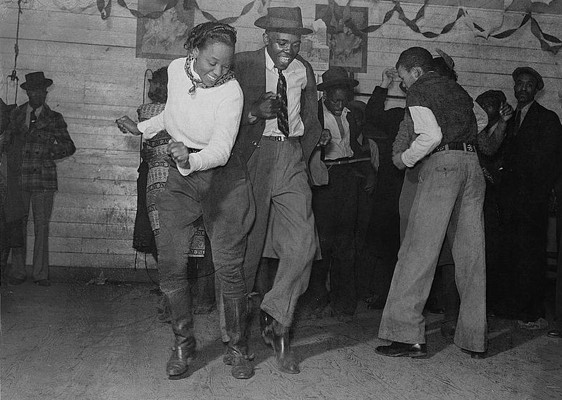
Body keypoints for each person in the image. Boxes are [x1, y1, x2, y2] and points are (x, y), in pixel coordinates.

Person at [116, 22, 255, 380]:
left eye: (225, 65)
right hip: (183, 174)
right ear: (193, 52)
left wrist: (188, 159)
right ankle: (183, 344)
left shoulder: (232, 92)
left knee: (228, 266)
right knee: (171, 260)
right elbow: (173, 113)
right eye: (212, 62)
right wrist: (143, 128)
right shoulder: (177, 70)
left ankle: (238, 347)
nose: (218, 72)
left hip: (223, 178)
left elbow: (221, 151)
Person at [233, 6, 329, 374]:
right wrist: (254, 112)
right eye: (281, 43)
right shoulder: (242, 64)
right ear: (266, 38)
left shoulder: (303, 69)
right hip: (252, 156)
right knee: (247, 248)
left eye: (294, 42)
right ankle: (237, 340)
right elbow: (221, 111)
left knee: (304, 243)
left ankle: (276, 316)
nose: (288, 49)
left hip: (290, 155)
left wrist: (300, 156)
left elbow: (311, 119)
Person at [376, 47, 487, 359]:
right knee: (471, 257)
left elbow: (431, 136)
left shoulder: (420, 90)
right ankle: (474, 339)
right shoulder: (459, 90)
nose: (403, 85)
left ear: (416, 71)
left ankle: (407, 335)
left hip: (444, 166)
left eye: (402, 78)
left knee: (416, 253)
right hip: (472, 166)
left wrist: (403, 158)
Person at [300, 67, 372, 322]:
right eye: (335, 100)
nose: (340, 105)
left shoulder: (354, 116)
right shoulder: (312, 115)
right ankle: (317, 298)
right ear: (325, 95)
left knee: (345, 243)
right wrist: (316, 141)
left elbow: (355, 147)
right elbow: (300, 146)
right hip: (323, 180)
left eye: (344, 100)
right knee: (322, 243)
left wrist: (367, 174)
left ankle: (344, 302)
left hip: (347, 179)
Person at [496, 67, 562, 328]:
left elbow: (551, 161)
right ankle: (510, 305)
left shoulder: (548, 119)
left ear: (537, 90)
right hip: (509, 200)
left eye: (528, 85)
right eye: (519, 84)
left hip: (532, 200)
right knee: (510, 250)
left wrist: (539, 194)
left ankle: (530, 309)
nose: (523, 88)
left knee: (531, 254)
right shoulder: (508, 119)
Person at [2, 72, 76, 287]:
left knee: (41, 226)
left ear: (46, 93)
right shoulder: (15, 115)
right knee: (17, 224)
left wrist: (49, 152)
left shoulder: (55, 118)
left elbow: (69, 146)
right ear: (27, 92)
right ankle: (17, 271)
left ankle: (40, 274)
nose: (38, 94)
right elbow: (6, 142)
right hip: (18, 179)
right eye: (33, 91)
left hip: (43, 180)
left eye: (41, 91)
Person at [359, 67, 406, 309]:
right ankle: (383, 294)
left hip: (416, 188)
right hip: (390, 191)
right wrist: (384, 84)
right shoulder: (399, 115)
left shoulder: (431, 116)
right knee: (385, 244)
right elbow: (373, 115)